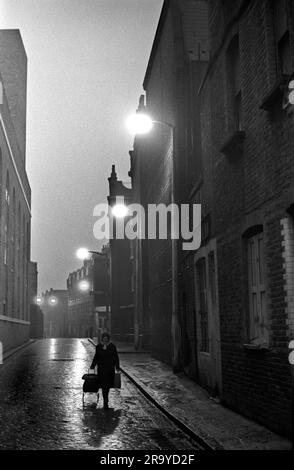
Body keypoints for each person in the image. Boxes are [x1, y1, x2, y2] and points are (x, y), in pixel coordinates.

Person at [90, 332, 120, 409]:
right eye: (104, 337)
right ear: (102, 338)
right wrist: (92, 366)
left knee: (108, 385)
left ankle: (106, 398)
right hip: (101, 369)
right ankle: (105, 400)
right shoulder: (99, 346)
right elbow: (96, 357)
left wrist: (117, 367)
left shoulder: (112, 346)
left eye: (106, 338)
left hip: (110, 369)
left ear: (108, 338)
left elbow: (116, 357)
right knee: (103, 385)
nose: (105, 339)